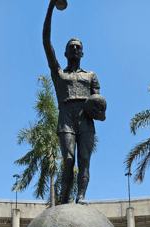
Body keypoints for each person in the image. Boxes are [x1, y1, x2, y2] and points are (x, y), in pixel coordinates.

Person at [43, 0, 106, 205]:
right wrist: (51, 8)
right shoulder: (59, 74)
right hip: (66, 117)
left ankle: (80, 197)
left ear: (82, 53)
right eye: (71, 47)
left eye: (78, 47)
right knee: (69, 160)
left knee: (84, 161)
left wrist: (99, 113)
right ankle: (64, 197)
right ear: (66, 53)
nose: (75, 48)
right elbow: (46, 42)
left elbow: (100, 107)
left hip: (86, 119)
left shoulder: (91, 75)